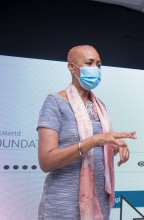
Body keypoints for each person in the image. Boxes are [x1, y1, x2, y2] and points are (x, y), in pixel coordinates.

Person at [37, 45, 136, 220]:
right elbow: (46, 162)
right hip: (63, 206)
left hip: (99, 203)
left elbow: (97, 148)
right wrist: (94, 141)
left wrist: (113, 147)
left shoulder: (100, 107)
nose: (96, 69)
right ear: (71, 67)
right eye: (89, 63)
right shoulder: (55, 102)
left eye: (98, 65)